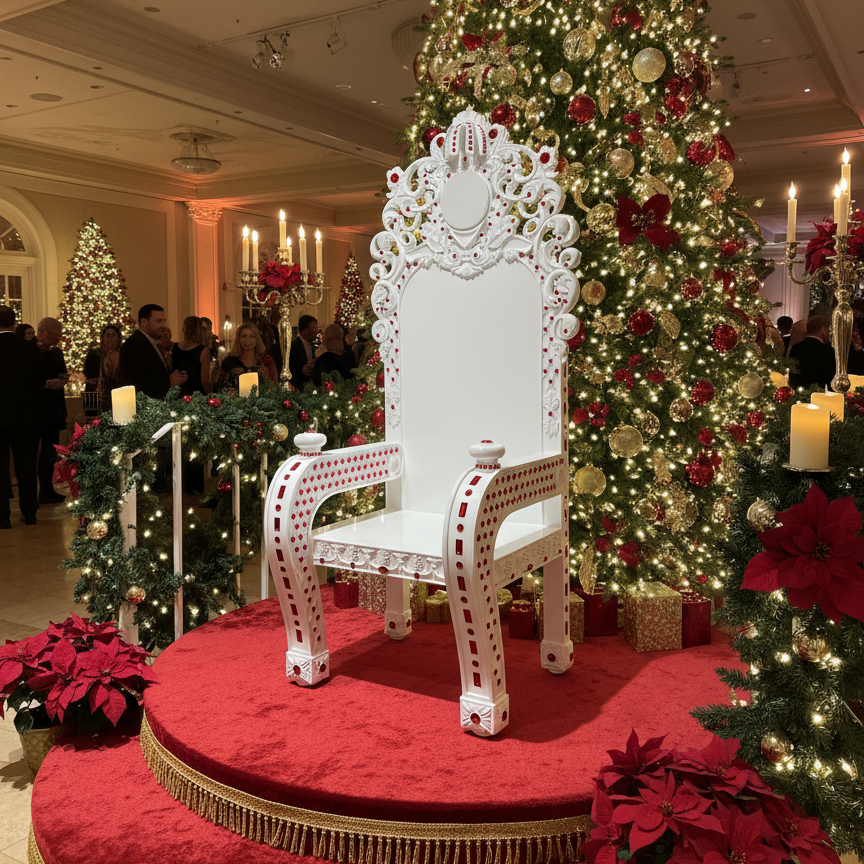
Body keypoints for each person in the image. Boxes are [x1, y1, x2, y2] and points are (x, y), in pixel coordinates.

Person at [0, 305, 46, 527]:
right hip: (26, 416)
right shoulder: (28, 348)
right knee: (26, 466)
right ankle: (29, 513)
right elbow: (39, 381)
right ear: (14, 323)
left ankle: (2, 517)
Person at [119, 304, 186, 399]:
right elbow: (135, 383)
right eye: (159, 321)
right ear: (144, 322)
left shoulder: (153, 343)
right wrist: (169, 382)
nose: (164, 325)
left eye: (164, 320)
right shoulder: (134, 345)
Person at [35, 317, 68, 504]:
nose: (58, 339)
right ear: (44, 333)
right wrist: (47, 384)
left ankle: (48, 490)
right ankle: (42, 491)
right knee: (42, 451)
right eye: (56, 335)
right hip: (38, 407)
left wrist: (63, 378)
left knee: (51, 449)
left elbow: (61, 372)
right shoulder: (32, 352)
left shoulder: (56, 353)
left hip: (55, 407)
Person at [219, 322, 277, 390]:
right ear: (238, 339)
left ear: (257, 339)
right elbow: (219, 388)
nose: (247, 340)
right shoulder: (228, 362)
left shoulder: (266, 361)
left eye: (251, 336)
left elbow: (275, 388)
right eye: (244, 336)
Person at [789, 316, 835, 389]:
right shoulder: (827, 350)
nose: (829, 334)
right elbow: (831, 377)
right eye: (828, 330)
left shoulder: (795, 348)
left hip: (797, 392)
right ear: (822, 329)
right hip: (819, 393)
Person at [172, 317, 211, 397]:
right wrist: (210, 394)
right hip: (196, 395)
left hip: (178, 393)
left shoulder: (174, 347)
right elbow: (204, 381)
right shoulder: (203, 350)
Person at [288, 315, 318, 389]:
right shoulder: (293, 346)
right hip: (298, 388)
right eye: (315, 328)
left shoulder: (312, 345)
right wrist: (303, 369)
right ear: (305, 330)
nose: (317, 331)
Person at [98, 325, 123, 411]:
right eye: (108, 336)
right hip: (106, 398)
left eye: (113, 336)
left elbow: (116, 378)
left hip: (114, 398)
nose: (110, 339)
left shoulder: (115, 355)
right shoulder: (104, 356)